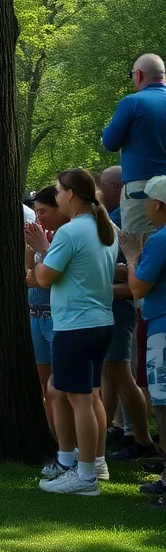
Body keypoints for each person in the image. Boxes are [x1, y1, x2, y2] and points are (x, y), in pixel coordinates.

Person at [27, 168, 119, 495]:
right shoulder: (104, 228)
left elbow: (44, 277)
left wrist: (41, 250)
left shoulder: (70, 232)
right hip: (100, 322)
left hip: (76, 324)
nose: (57, 196)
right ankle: (94, 462)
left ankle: (85, 476)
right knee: (88, 395)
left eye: (59, 191)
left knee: (79, 399)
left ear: (72, 195)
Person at [97, 165, 155, 459]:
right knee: (112, 373)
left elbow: (139, 283)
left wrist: (126, 267)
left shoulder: (120, 226)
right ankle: (113, 429)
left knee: (125, 375)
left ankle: (140, 437)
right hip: (117, 309)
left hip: (124, 311)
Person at [119, 174, 166, 506]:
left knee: (163, 403)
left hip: (162, 327)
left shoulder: (160, 239)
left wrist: (133, 255)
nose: (144, 205)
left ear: (159, 205)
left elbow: (138, 288)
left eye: (147, 200)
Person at [103, 53, 166, 237]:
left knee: (138, 249)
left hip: (143, 192)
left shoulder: (132, 103)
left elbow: (110, 143)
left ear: (138, 75)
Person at [28, 186, 67, 435]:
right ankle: (51, 434)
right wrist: (33, 245)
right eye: (35, 212)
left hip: (56, 315)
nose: (38, 218)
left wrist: (42, 247)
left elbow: (47, 278)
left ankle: (67, 440)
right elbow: (29, 276)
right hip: (36, 312)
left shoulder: (65, 237)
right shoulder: (42, 235)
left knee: (61, 383)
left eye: (43, 211)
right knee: (44, 382)